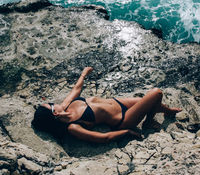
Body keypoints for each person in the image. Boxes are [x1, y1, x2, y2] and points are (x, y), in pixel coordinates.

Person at [32, 67, 181, 142]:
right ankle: (148, 122)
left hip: (117, 102)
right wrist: (126, 133)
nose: (54, 102)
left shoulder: (66, 105)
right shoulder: (73, 127)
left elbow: (76, 89)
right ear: (55, 113)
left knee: (150, 101)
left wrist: (84, 74)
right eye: (51, 105)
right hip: (123, 119)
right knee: (156, 93)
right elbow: (102, 137)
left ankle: (167, 111)